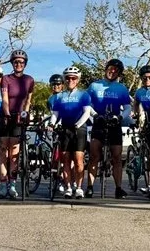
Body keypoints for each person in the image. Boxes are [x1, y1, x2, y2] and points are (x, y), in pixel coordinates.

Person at [86, 58, 131, 199]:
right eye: (111, 68)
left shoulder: (122, 88)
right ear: (106, 68)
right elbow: (87, 104)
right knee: (94, 155)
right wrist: (95, 115)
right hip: (99, 121)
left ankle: (118, 188)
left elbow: (128, 107)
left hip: (114, 123)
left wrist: (120, 117)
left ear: (119, 74)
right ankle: (90, 187)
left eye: (116, 70)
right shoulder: (94, 86)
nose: (113, 71)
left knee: (117, 156)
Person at [49, 66, 92, 199]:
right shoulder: (59, 97)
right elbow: (55, 114)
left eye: (73, 78)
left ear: (77, 80)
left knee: (79, 160)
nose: (70, 80)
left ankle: (78, 187)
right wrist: (51, 123)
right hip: (65, 129)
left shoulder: (83, 95)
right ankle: (68, 187)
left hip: (79, 129)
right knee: (65, 160)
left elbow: (87, 112)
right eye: (67, 78)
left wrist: (78, 124)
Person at [0, 49, 35, 199]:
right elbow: (5, 98)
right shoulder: (6, 79)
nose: (18, 64)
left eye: (21, 62)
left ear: (25, 64)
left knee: (14, 154)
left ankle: (12, 185)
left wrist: (25, 115)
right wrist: (7, 114)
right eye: (16, 62)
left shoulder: (29, 80)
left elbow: (28, 100)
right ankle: (2, 184)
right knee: (2, 153)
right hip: (5, 116)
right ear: (12, 63)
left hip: (19, 117)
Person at [132, 64, 150, 196]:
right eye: (144, 78)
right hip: (146, 123)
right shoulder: (139, 92)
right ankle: (149, 185)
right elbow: (136, 105)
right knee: (148, 157)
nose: (147, 80)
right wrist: (134, 114)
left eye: (149, 77)